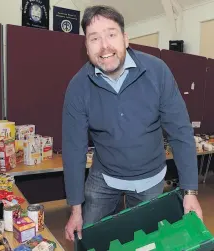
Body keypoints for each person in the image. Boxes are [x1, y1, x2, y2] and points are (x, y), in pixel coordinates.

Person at [62, 5, 203, 242]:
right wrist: (76, 209)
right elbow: (73, 149)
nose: (104, 45)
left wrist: (189, 192)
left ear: (126, 39)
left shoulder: (157, 72)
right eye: (94, 38)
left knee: (142, 242)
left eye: (111, 34)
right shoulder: (78, 88)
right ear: (86, 47)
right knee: (91, 239)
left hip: (150, 179)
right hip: (103, 178)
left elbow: (180, 132)